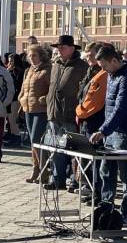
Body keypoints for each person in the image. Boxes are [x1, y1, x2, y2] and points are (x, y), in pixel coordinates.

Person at [90, 45, 127, 226]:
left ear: (114, 60)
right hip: (111, 132)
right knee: (106, 170)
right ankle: (107, 209)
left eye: (104, 66)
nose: (103, 70)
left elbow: (121, 108)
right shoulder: (113, 75)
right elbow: (110, 107)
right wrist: (106, 130)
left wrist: (103, 130)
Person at [44, 35, 89, 190]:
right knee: (55, 148)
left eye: (62, 47)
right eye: (58, 47)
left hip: (70, 114)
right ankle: (57, 179)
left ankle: (75, 179)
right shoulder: (55, 64)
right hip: (53, 113)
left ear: (72, 48)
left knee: (73, 150)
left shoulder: (82, 66)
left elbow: (84, 91)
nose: (59, 50)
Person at [75, 42, 107, 201]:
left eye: (92, 56)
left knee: (96, 160)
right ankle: (91, 189)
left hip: (95, 120)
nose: (89, 59)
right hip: (85, 120)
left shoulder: (103, 73)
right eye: (87, 56)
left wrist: (79, 112)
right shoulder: (90, 71)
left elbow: (95, 101)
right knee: (87, 158)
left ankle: (98, 192)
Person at [19, 44, 51, 182]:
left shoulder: (47, 70)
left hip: (40, 110)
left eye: (34, 55)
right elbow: (23, 89)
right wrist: (20, 101)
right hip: (28, 109)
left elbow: (53, 89)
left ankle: (44, 171)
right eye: (30, 55)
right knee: (33, 142)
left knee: (37, 140)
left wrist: (43, 99)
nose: (31, 58)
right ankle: (35, 169)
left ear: (41, 56)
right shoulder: (28, 71)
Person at [5, 53, 24, 147]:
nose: (10, 63)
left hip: (15, 99)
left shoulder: (19, 71)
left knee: (13, 119)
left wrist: (9, 72)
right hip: (9, 98)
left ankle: (17, 137)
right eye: (9, 61)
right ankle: (12, 136)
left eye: (11, 61)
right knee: (10, 119)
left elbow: (18, 85)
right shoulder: (10, 71)